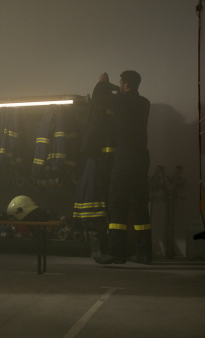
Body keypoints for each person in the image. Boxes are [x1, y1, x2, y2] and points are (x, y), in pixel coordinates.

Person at [93, 71, 153, 265]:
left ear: (125, 84)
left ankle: (117, 253)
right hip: (142, 157)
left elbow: (98, 98)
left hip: (125, 155)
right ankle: (144, 254)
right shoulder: (145, 103)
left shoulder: (119, 101)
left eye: (121, 82)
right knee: (140, 203)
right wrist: (118, 88)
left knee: (117, 201)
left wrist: (104, 83)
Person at [72, 74, 119, 259]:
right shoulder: (104, 107)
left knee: (101, 201)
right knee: (96, 201)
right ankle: (97, 248)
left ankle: (102, 247)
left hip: (100, 162)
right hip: (98, 162)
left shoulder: (100, 107)